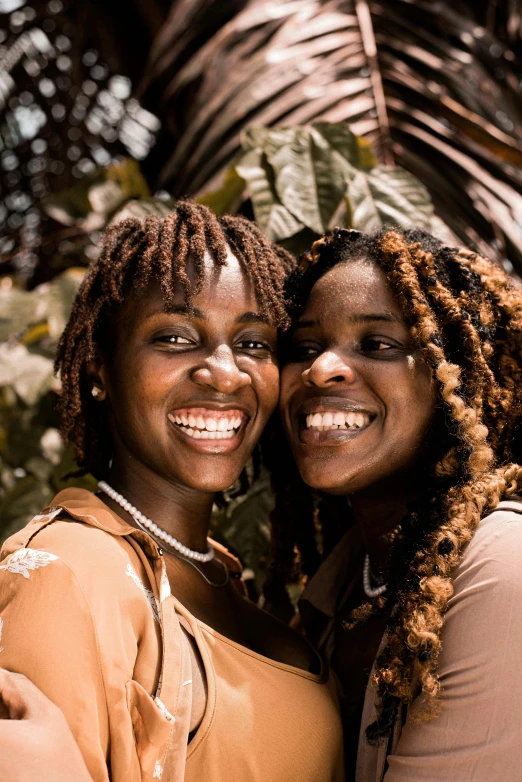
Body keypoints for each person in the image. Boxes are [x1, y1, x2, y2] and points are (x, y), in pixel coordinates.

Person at [0, 202, 343, 782]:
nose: (225, 371)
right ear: (99, 370)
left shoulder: (223, 579)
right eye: (176, 337)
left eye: (255, 343)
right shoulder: (72, 572)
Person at [266, 227, 522, 780]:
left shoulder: (501, 566)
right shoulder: (345, 579)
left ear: (456, 380)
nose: (320, 369)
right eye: (304, 347)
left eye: (379, 345)